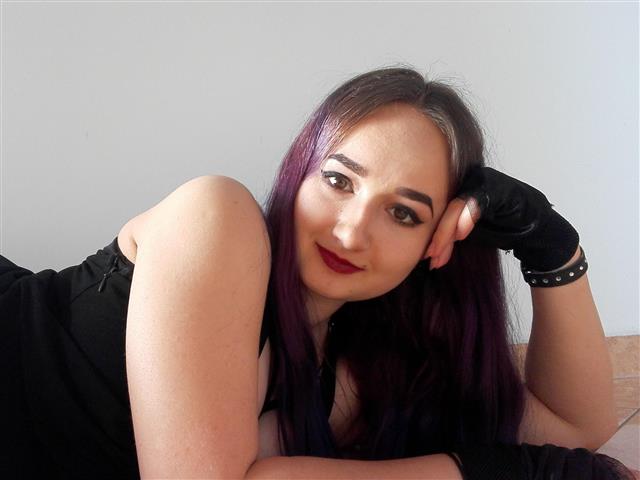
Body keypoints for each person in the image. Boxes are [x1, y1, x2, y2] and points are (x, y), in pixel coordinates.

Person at [1, 67, 635, 479]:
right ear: (298, 173)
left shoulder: (353, 371)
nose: (352, 232)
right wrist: (481, 471)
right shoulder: (216, 218)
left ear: (436, 245)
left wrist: (551, 248)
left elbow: (578, 430)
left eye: (404, 214)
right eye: (338, 181)